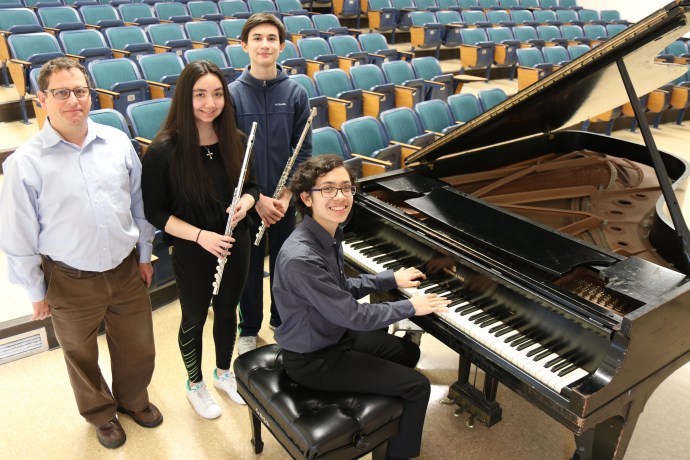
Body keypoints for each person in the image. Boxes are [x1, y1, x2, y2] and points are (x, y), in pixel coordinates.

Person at [0, 57, 161, 449]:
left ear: (90, 94)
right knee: (80, 353)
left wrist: (143, 254)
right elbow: (17, 234)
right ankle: (101, 414)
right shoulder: (25, 163)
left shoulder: (117, 141)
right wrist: (35, 292)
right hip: (69, 278)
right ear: (41, 99)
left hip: (125, 269)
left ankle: (133, 400)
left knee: (138, 343)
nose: (73, 100)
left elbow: (139, 204)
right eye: (61, 92)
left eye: (80, 91)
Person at [272, 155, 451, 460]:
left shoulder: (327, 232)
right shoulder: (302, 256)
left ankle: (383, 409)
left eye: (346, 188)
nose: (340, 197)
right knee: (418, 387)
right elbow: (352, 315)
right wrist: (411, 307)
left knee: (409, 353)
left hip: (335, 336)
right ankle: (399, 455)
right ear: (306, 197)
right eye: (327, 189)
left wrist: (389, 278)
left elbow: (341, 290)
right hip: (313, 360)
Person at [141, 60, 260, 420]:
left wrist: (246, 202)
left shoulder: (235, 140)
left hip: (234, 243)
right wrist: (200, 236)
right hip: (194, 248)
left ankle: (223, 373)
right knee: (194, 317)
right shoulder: (164, 151)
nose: (210, 103)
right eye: (200, 95)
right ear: (184, 98)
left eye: (217, 94)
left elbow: (252, 185)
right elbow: (155, 212)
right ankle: (195, 384)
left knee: (227, 311)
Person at [229, 13, 312, 355]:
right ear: (244, 45)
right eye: (257, 38)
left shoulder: (295, 92)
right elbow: (229, 155)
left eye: (272, 39)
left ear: (282, 45)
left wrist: (287, 195)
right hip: (247, 202)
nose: (265, 44)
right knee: (247, 269)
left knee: (285, 265)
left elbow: (303, 151)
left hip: (284, 203)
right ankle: (248, 327)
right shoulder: (231, 95)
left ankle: (281, 321)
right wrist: (258, 198)